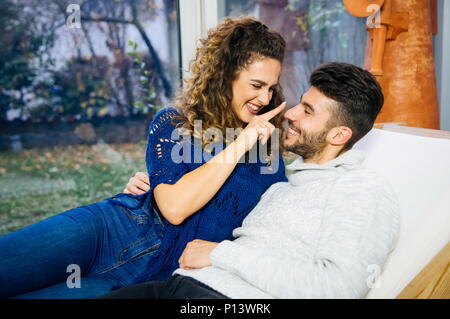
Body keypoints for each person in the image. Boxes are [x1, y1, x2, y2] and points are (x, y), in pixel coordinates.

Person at [0, 17, 288, 298]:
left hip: (143, 276)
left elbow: (265, 232)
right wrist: (240, 142)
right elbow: (174, 205)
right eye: (256, 85)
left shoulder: (266, 156)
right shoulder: (173, 123)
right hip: (106, 229)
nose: (265, 98)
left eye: (271, 88)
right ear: (225, 74)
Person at [99, 62, 401, 299]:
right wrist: (155, 187)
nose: (290, 114)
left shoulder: (362, 189)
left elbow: (337, 289)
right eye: (300, 103)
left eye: (307, 111)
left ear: (339, 135)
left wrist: (218, 253)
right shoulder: (281, 183)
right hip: (182, 284)